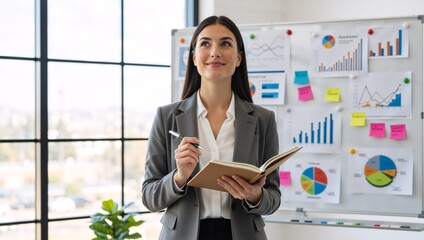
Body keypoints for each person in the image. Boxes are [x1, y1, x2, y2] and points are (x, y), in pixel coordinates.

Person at [142, 15, 281, 240]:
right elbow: (150, 198)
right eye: (205, 43)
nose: (215, 51)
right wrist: (179, 177)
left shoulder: (263, 119)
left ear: (238, 58)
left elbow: (273, 198)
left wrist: (255, 195)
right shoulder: (166, 117)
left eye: (225, 43)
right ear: (195, 57)